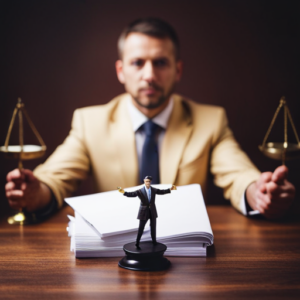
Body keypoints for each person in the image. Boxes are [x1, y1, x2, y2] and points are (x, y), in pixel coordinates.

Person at [5, 18, 295, 220]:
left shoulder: (211, 120)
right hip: (113, 258)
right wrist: (35, 194)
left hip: (187, 257)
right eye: (137, 63)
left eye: (160, 63)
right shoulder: (89, 122)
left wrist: (259, 192)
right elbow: (54, 179)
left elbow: (237, 176)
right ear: (121, 71)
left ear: (178, 70)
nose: (149, 75)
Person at [118, 175, 176, 248]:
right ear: (144, 182)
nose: (147, 182)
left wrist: (170, 189)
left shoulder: (153, 190)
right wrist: (123, 192)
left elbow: (161, 191)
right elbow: (132, 194)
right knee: (141, 228)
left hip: (152, 211)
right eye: (146, 181)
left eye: (148, 181)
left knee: (153, 227)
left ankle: (154, 241)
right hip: (143, 211)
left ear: (150, 182)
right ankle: (137, 242)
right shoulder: (140, 191)